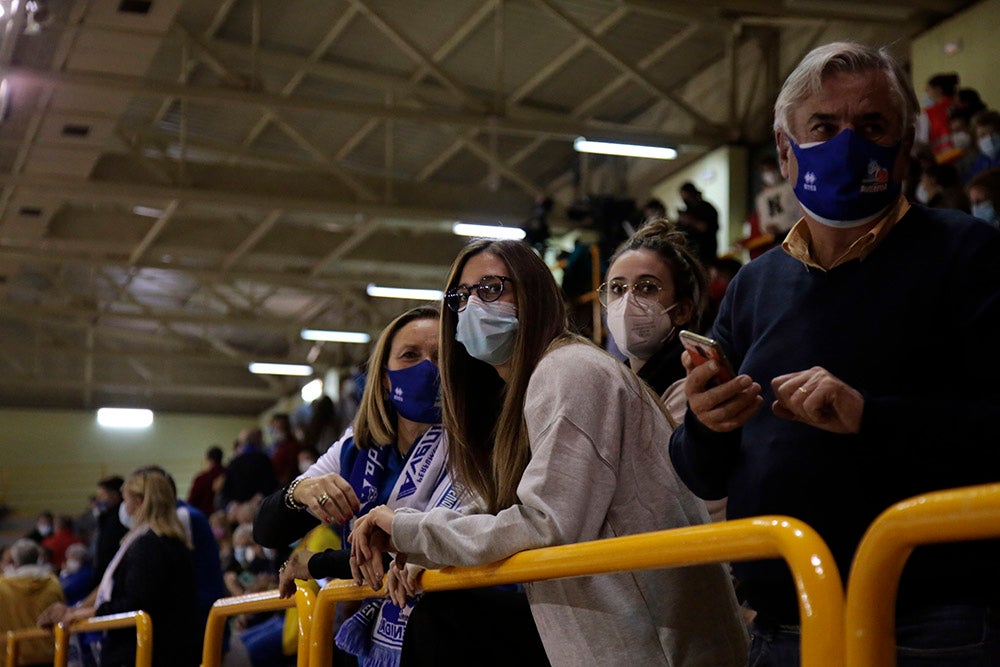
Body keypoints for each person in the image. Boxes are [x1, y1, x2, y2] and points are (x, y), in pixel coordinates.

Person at [668, 42, 1000, 666]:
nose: (849, 143)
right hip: (783, 623)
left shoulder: (968, 255)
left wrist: (870, 418)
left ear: (904, 149)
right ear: (785, 152)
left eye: (872, 126)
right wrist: (706, 422)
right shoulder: (752, 286)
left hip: (932, 627)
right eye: (824, 126)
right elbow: (701, 472)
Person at [350, 240, 748, 666]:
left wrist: (411, 532)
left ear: (533, 293)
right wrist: (422, 548)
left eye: (490, 289)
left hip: (660, 649)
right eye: (460, 297)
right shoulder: (533, 384)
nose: (471, 307)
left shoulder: (569, 371)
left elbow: (546, 525)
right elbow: (508, 501)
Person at [255, 306, 464, 667]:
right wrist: (301, 491)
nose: (428, 367)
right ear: (384, 378)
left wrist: (317, 563)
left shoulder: (476, 446)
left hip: (453, 632)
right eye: (411, 355)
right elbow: (268, 529)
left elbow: (428, 553)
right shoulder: (356, 448)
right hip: (384, 634)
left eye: (439, 357)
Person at [38, 468, 201, 667]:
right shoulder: (169, 541)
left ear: (140, 502)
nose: (124, 508)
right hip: (167, 648)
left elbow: (136, 602)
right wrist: (77, 609)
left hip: (146, 651)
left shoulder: (148, 544)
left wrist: (77, 614)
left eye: (126, 500)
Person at [1, 539, 64, 667]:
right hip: (50, 655)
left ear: (13, 560)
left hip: (12, 655)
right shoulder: (53, 584)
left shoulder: (2, 587)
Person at [92, 475, 128, 583]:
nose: (98, 499)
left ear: (115, 495)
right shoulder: (107, 517)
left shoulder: (120, 518)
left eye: (102, 495)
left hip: (112, 574)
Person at [676, 181, 720, 265]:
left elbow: (706, 228)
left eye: (686, 197)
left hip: (706, 253)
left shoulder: (706, 208)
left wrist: (690, 220)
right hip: (691, 254)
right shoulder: (688, 210)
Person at [188, 445, 226, 516]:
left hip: (203, 519)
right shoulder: (228, 475)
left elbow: (191, 502)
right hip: (225, 519)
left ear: (209, 461)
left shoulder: (201, 479)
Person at [267, 413, 301, 487]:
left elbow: (292, 465)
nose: (275, 429)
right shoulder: (275, 446)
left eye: (278, 426)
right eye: (273, 426)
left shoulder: (293, 445)